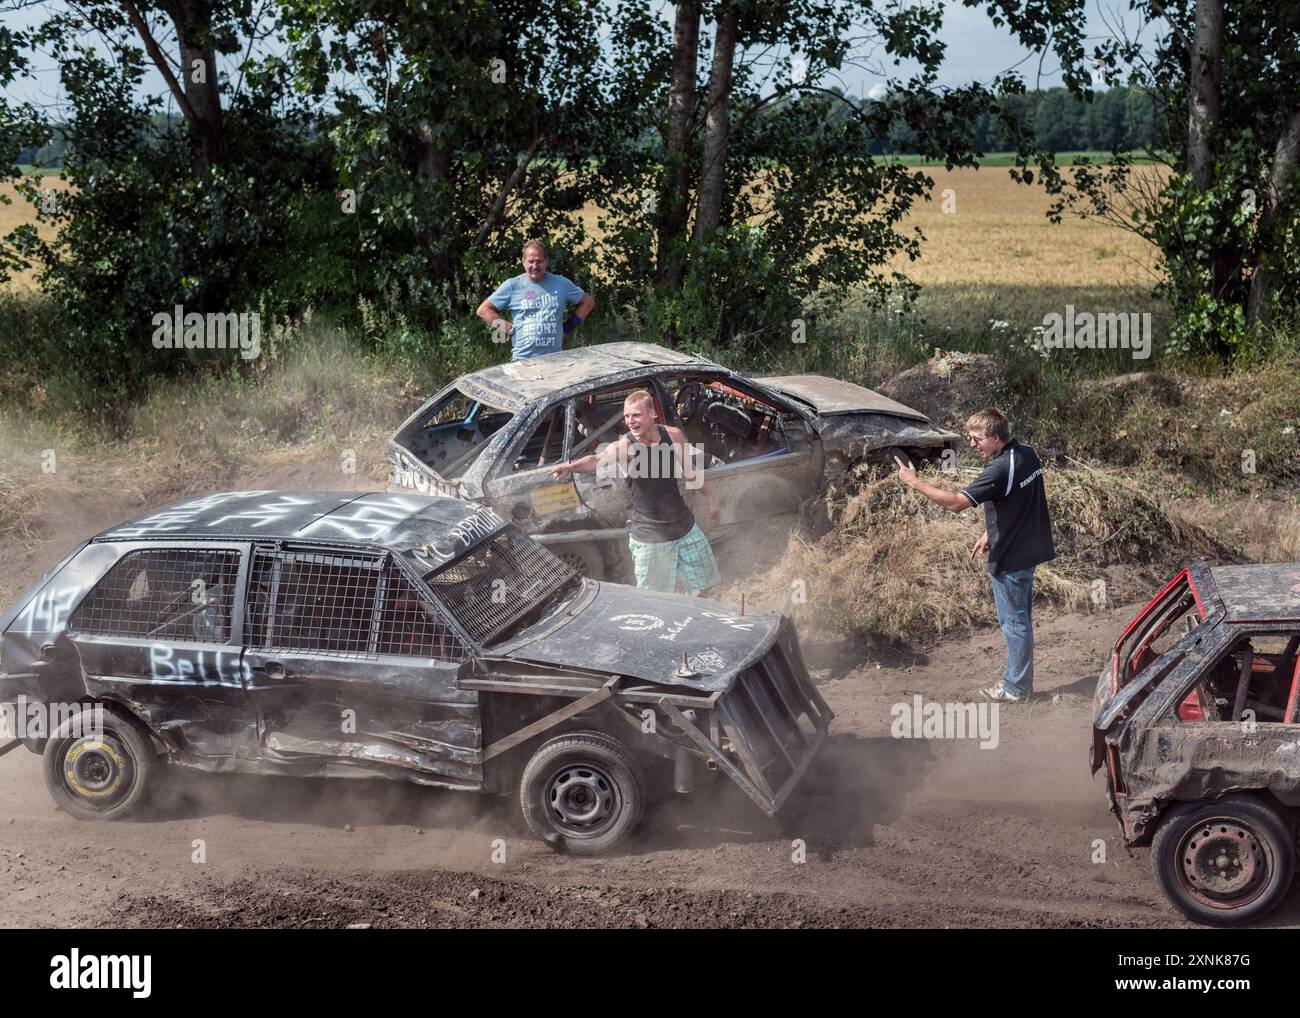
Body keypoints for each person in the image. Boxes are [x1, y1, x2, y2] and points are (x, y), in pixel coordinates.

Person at [894, 408, 1055, 703]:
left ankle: (1016, 689)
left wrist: (914, 483)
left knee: (1014, 624)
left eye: (977, 438)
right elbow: (1020, 499)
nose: (972, 444)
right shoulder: (1027, 453)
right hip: (1028, 551)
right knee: (1020, 621)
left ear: (995, 438)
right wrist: (990, 533)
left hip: (1011, 559)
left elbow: (957, 503)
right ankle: (1019, 683)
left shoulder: (998, 469)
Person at [551, 390, 722, 595]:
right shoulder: (626, 447)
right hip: (651, 537)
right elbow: (596, 460)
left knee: (705, 586)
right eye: (627, 416)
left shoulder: (673, 436)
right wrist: (569, 467)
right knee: (655, 600)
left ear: (652, 414)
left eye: (636, 415)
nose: (630, 421)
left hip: (684, 528)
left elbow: (690, 470)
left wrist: (711, 498)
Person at [476, 239, 595, 360]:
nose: (535, 266)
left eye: (539, 261)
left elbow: (587, 302)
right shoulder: (512, 285)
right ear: (523, 262)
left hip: (555, 358)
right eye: (531, 261)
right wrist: (505, 326)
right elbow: (483, 310)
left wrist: (567, 327)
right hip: (522, 360)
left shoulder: (561, 283)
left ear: (546, 261)